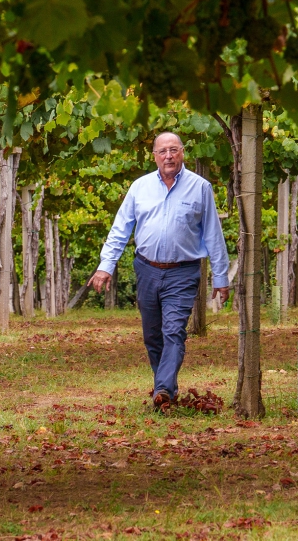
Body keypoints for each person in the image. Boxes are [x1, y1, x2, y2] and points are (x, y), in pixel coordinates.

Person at [88, 132, 230, 411]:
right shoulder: (139, 188)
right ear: (154, 156)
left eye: (174, 150)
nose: (168, 156)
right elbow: (120, 229)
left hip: (183, 272)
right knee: (153, 335)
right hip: (147, 270)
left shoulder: (200, 188)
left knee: (174, 331)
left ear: (182, 153)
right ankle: (165, 390)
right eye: (162, 151)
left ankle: (163, 388)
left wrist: (221, 276)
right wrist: (106, 267)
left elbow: (213, 235)